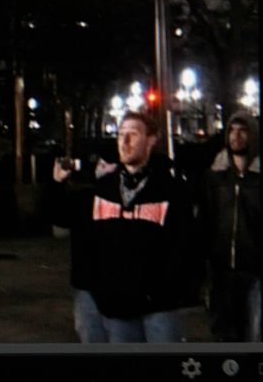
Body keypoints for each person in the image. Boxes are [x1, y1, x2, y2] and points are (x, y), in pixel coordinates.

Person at [48, 111, 200, 343]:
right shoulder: (103, 189)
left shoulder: (172, 190)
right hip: (117, 306)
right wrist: (57, 185)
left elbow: (185, 245)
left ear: (150, 140)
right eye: (121, 135)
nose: (125, 141)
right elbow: (63, 219)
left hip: (159, 304)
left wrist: (166, 288)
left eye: (133, 134)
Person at [202, 110, 261, 342]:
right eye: (232, 131)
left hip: (255, 270)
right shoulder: (215, 177)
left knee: (255, 336)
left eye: (243, 131)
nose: (236, 136)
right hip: (222, 271)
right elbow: (206, 221)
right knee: (226, 336)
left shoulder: (258, 178)